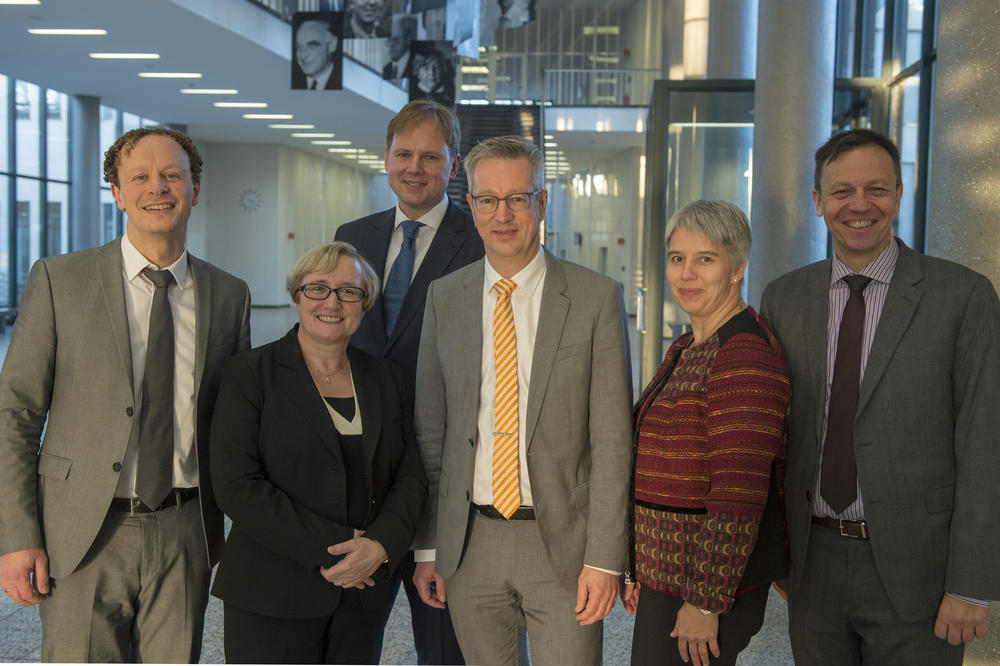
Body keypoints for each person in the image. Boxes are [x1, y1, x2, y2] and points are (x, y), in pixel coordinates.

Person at [0, 127, 251, 661]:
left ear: (195, 188)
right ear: (116, 192)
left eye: (171, 175)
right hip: (83, 529)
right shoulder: (59, 281)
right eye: (139, 177)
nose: (156, 188)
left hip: (186, 529)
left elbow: (235, 421)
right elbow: (15, 413)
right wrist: (17, 534)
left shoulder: (229, 295)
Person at [759, 128, 1000, 665]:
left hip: (922, 568)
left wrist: (970, 585)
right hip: (813, 560)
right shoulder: (785, 297)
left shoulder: (963, 297)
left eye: (876, 189)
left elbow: (985, 445)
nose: (860, 205)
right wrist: (778, 554)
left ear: (898, 192)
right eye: (842, 191)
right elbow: (774, 439)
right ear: (819, 202)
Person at [413, 135, 633, 665]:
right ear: (472, 206)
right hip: (470, 546)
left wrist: (606, 559)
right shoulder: (446, 297)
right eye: (488, 199)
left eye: (518, 197)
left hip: (564, 543)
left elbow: (612, 442)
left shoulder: (595, 297)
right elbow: (431, 435)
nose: (503, 214)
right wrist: (428, 548)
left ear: (542, 201)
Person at [209, 242, 428, 664]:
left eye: (349, 291)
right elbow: (237, 486)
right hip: (273, 590)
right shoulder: (250, 374)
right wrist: (346, 546)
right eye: (318, 288)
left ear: (365, 305)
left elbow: (411, 476)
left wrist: (381, 546)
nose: (332, 302)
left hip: (363, 593)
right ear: (297, 295)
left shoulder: (386, 378)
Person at [334, 99, 482, 665]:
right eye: (403, 154)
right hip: (361, 471)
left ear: (454, 164)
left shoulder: (479, 240)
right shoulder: (353, 235)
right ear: (386, 159)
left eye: (430, 156)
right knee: (349, 641)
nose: (414, 168)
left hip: (447, 473)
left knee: (448, 646)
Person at [624, 200, 790, 666]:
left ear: (737, 268)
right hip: (669, 576)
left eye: (706, 259)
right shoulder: (686, 345)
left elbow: (738, 495)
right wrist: (640, 566)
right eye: (678, 258)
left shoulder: (743, 353)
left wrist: (706, 601)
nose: (686, 274)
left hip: (706, 586)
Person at [292, 14, 343, 90]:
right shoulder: (293, 81)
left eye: (312, 46)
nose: (303, 56)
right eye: (299, 47)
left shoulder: (345, 82)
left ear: (332, 45)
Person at [383, 15, 418, 81]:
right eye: (389, 40)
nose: (391, 45)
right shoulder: (386, 69)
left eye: (396, 39)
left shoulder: (417, 67)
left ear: (408, 39)